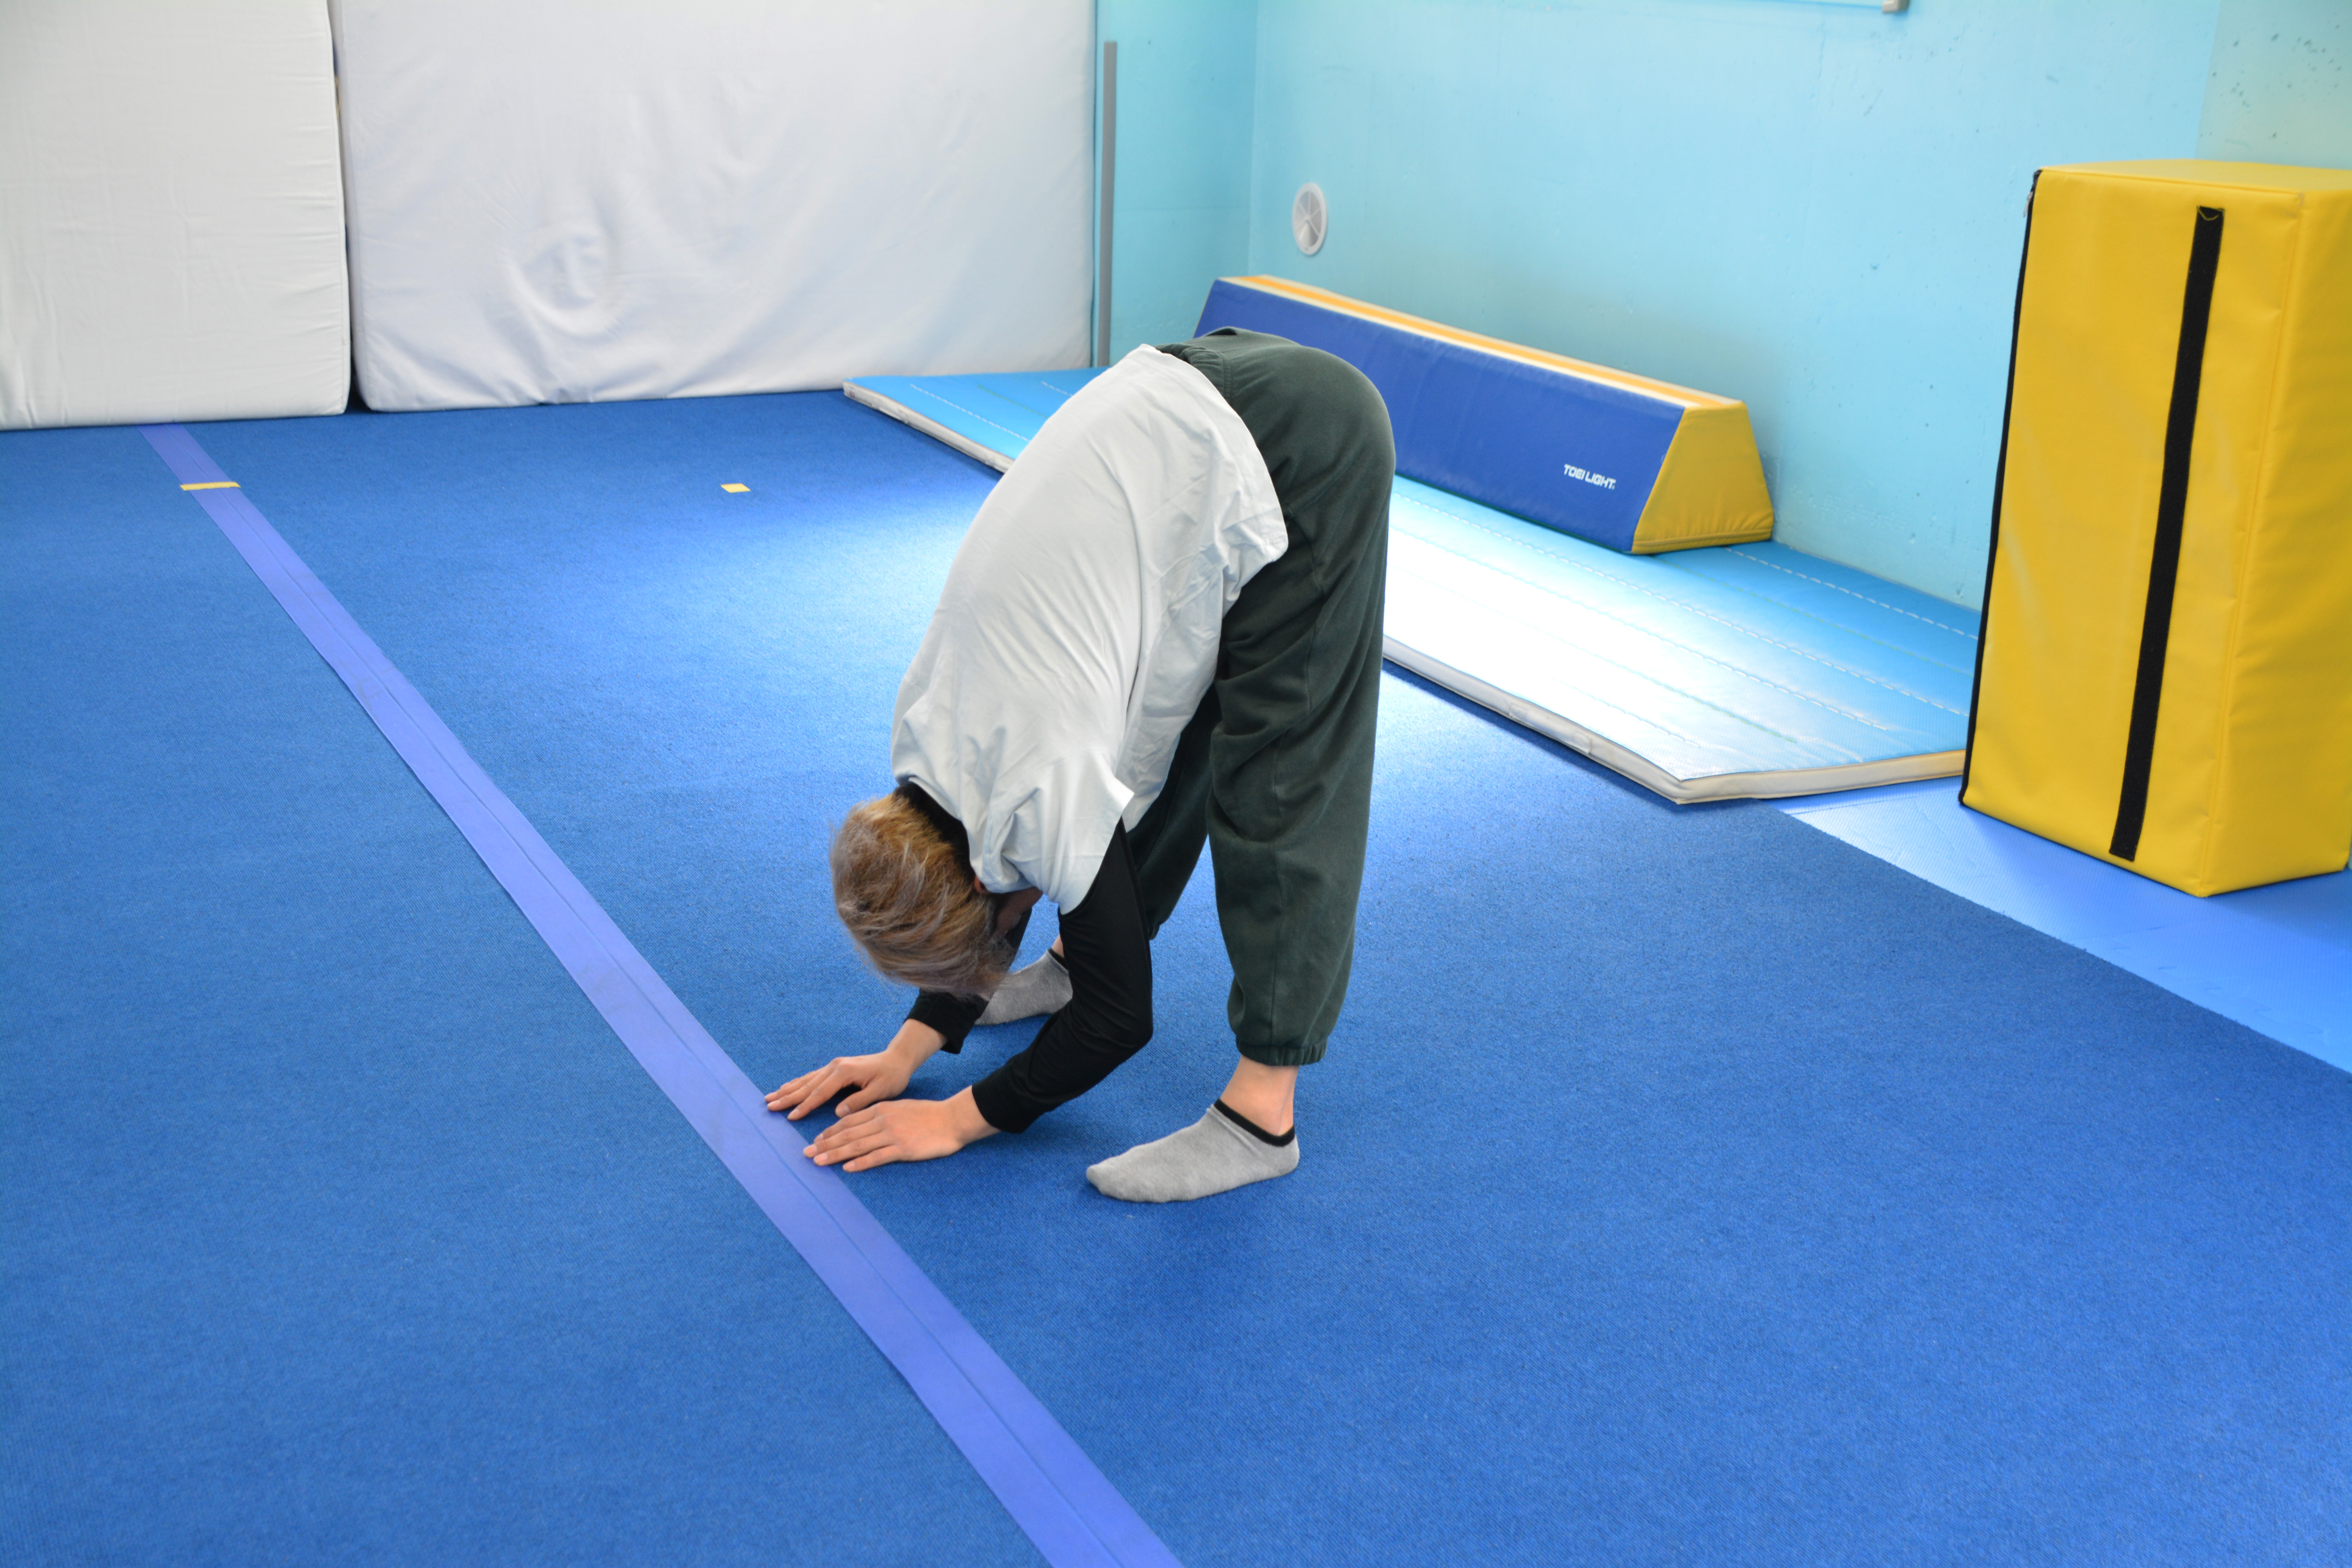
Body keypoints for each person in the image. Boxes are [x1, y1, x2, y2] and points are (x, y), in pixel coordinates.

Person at [765, 328, 1393, 1202]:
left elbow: (1119, 1019)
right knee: (1156, 748)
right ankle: (1072, 962)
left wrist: (960, 1117)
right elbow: (995, 874)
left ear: (983, 882)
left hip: (1302, 443)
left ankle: (1263, 1116)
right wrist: (906, 1051)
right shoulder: (923, 741)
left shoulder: (1039, 781)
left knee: (1280, 780)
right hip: (1195, 398)